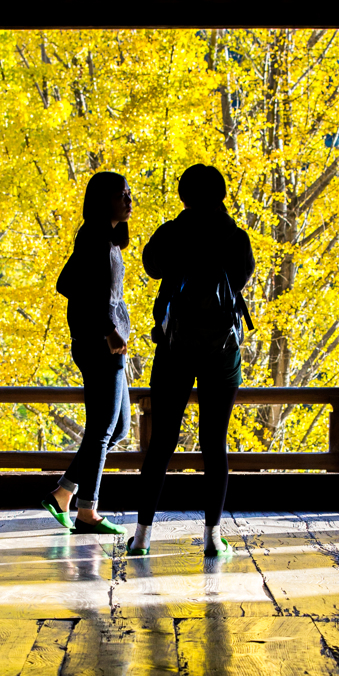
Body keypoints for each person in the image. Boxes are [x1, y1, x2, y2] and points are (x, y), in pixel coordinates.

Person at [128, 163, 255, 557]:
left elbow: (151, 266)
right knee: (214, 443)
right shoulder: (234, 236)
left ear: (183, 195)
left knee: (162, 441)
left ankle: (143, 537)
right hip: (222, 352)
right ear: (221, 194)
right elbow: (242, 276)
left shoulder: (171, 232)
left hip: (174, 349)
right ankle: (213, 539)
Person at [41, 171, 132, 535]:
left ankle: (63, 493)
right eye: (122, 194)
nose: (128, 200)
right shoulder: (94, 238)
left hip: (107, 342)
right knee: (101, 429)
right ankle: (86, 510)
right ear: (102, 200)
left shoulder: (103, 239)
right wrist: (108, 331)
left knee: (119, 426)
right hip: (99, 345)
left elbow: (68, 283)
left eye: (129, 194)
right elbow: (78, 290)